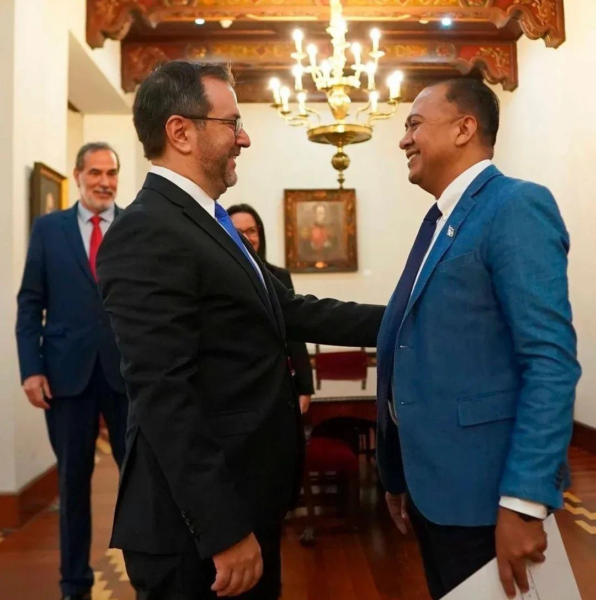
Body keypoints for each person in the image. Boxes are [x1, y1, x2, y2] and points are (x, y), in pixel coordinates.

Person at [96, 60, 384, 600]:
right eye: (232, 123)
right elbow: (164, 396)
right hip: (196, 531)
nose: (244, 138)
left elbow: (291, 310)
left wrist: (406, 316)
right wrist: (223, 530)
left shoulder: (205, 221)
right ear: (181, 132)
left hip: (245, 495)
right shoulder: (148, 231)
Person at [376, 78, 581, 600]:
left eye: (414, 124)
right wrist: (398, 474)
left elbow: (550, 361)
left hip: (486, 497)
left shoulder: (516, 206)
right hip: (433, 488)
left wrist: (524, 503)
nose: (404, 140)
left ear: (464, 128)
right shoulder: (439, 222)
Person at [16, 142, 128, 600]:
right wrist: (31, 369)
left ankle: (150, 574)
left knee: (140, 480)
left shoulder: (134, 227)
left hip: (127, 375)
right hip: (66, 376)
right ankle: (74, 583)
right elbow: (30, 303)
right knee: (73, 484)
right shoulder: (49, 229)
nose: (104, 181)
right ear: (78, 175)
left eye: (112, 173)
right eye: (95, 172)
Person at [228, 203, 314, 414]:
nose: (247, 238)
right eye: (238, 232)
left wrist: (305, 387)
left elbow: (295, 330)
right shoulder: (215, 276)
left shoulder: (279, 276)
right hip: (233, 387)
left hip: (275, 383)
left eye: (251, 231)